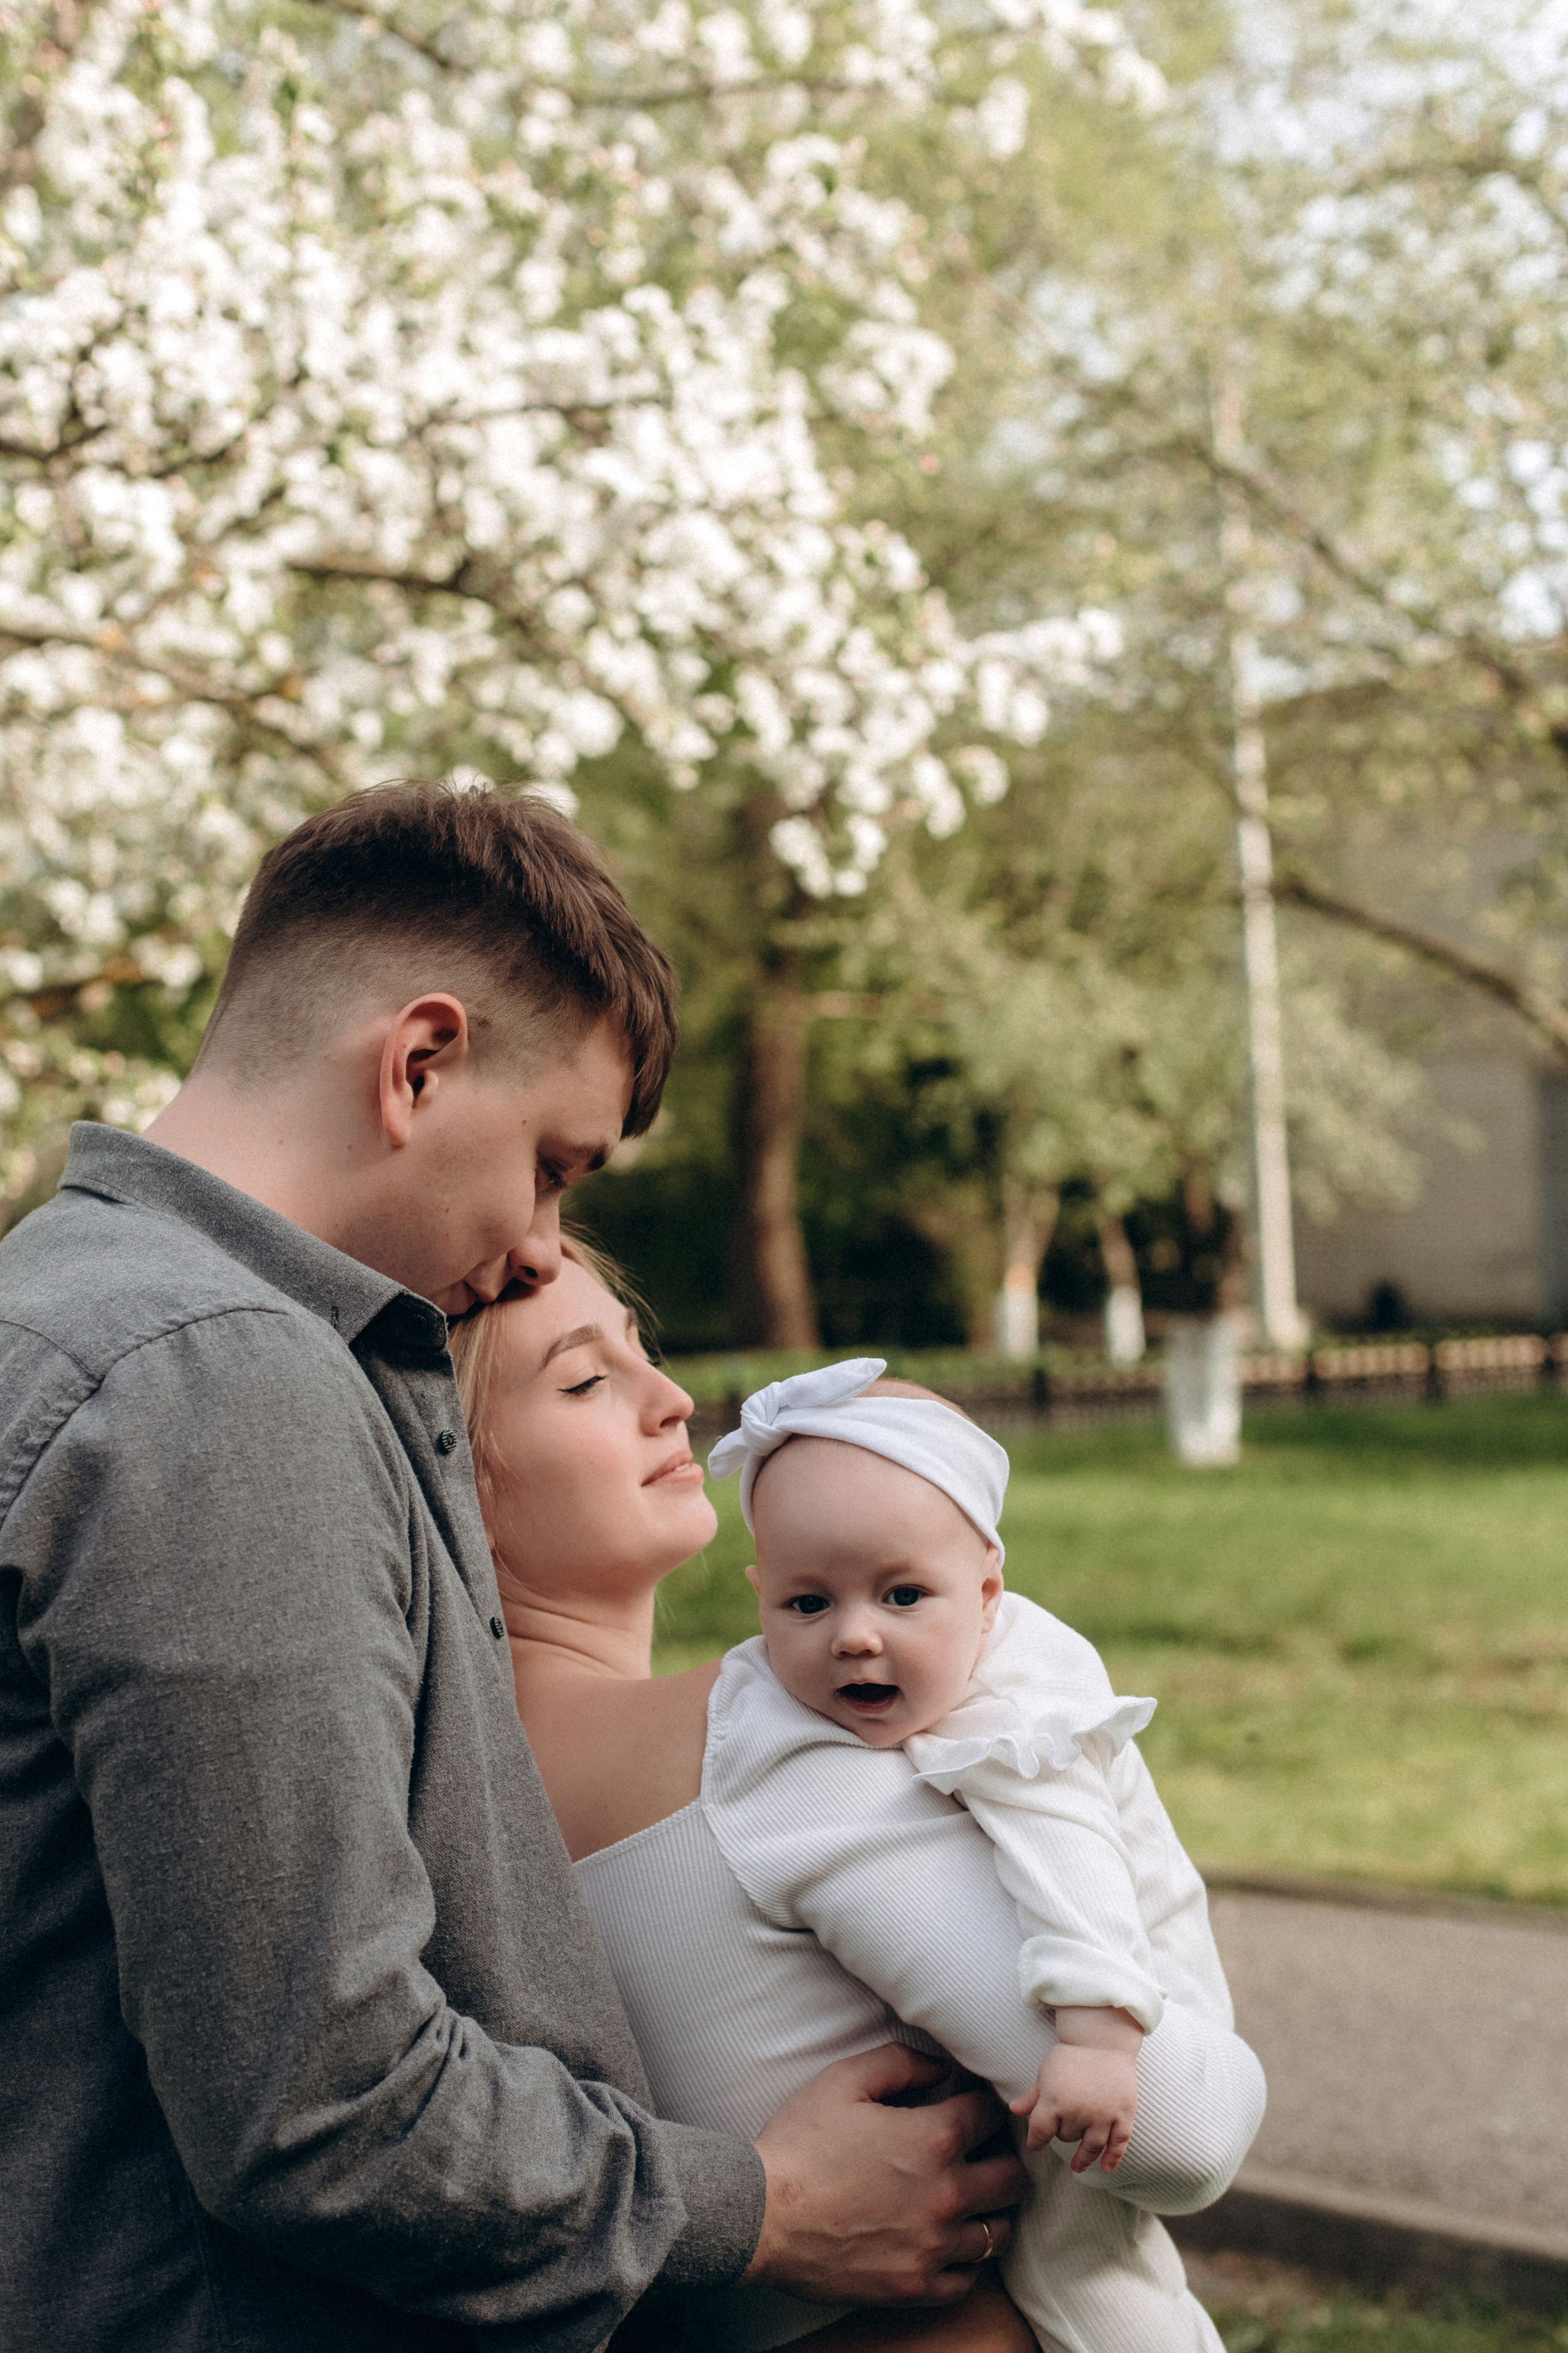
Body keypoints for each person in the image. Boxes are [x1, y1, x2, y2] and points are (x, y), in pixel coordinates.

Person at [0, 783, 1027, 2353]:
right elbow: (322, 2104)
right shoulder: (222, 1377)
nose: (545, 1245)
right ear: (417, 1064)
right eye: (553, 1164)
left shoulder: (54, 1309)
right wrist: (763, 2205)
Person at [450, 1248, 1265, 2352]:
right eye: (587, 1380)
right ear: (449, 1468)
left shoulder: (444, 1796)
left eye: (644, 1351)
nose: (674, 1401)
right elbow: (1182, 2130)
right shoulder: (771, 1744)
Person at [709, 1359, 1263, 2350]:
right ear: (759, 1593)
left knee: (1085, 2251)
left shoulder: (1018, 1704)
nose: (856, 1637)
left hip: (1128, 1972)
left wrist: (1097, 2035)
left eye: (903, 1594)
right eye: (807, 1604)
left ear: (989, 1592)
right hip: (1069, 1979)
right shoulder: (779, 1688)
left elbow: (1072, 1863)